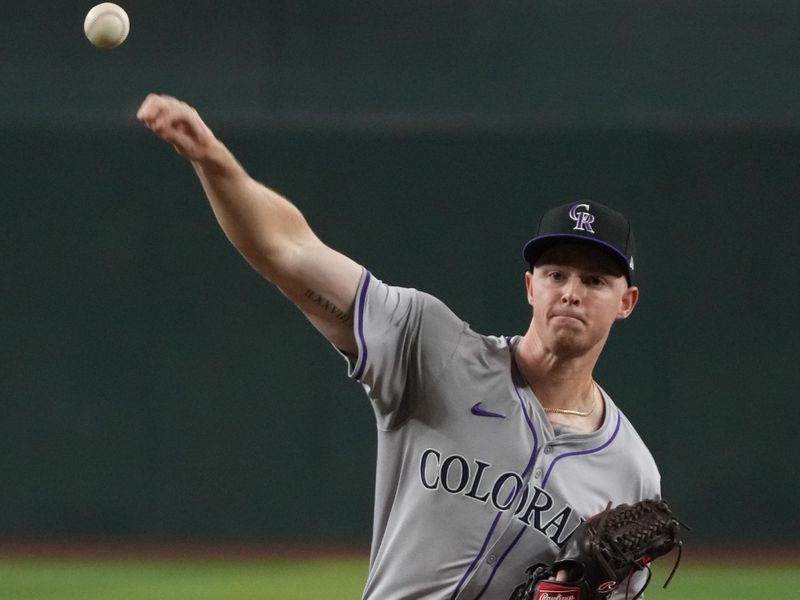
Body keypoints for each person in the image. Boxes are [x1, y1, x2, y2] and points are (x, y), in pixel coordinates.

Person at [136, 94, 660, 600]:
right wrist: (214, 160)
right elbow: (291, 253)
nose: (570, 292)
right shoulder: (433, 350)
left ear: (627, 302)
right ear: (530, 286)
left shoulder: (631, 471)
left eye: (595, 281)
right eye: (556, 274)